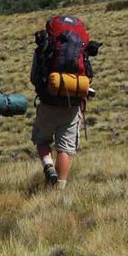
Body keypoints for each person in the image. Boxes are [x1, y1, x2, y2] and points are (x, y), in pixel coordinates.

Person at [29, 16, 99, 189]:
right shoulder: (80, 48)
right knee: (65, 148)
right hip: (72, 104)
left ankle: (48, 167)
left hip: (48, 101)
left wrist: (45, 87)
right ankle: (60, 188)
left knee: (42, 140)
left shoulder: (45, 47)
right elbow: (88, 75)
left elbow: (34, 77)